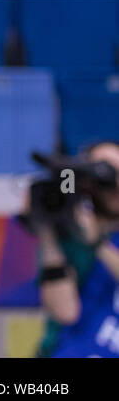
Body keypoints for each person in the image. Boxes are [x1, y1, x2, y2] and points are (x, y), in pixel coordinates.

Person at [32, 141, 119, 358]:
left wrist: (98, 243)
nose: (115, 183)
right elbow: (66, 313)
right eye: (106, 173)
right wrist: (48, 233)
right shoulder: (70, 235)